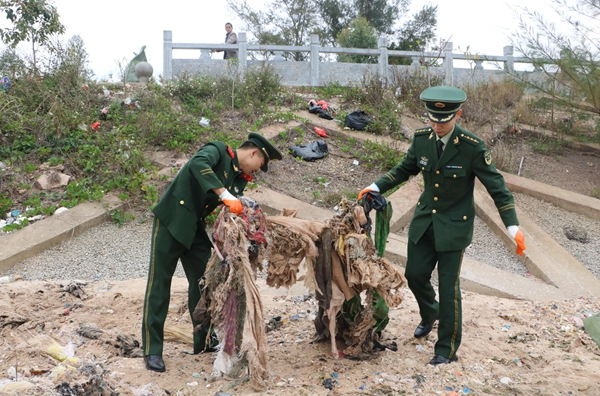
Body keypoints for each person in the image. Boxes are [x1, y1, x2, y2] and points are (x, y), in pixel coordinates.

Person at [357, 86, 526, 366]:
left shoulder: (472, 147)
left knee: (449, 289)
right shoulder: (423, 139)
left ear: (458, 114)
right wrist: (375, 186)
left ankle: (446, 348)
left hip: (454, 228)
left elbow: (498, 187)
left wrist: (512, 227)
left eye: (444, 120)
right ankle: (430, 312)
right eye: (433, 119)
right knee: (414, 275)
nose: (437, 125)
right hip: (424, 222)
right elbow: (404, 169)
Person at [142, 132, 283, 372]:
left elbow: (231, 208)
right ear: (254, 152)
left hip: (194, 227)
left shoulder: (241, 178)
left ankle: (204, 342)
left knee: (204, 283)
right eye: (261, 164)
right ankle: (152, 350)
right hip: (171, 220)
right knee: (159, 284)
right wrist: (225, 195)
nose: (259, 170)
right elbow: (198, 163)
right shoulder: (218, 151)